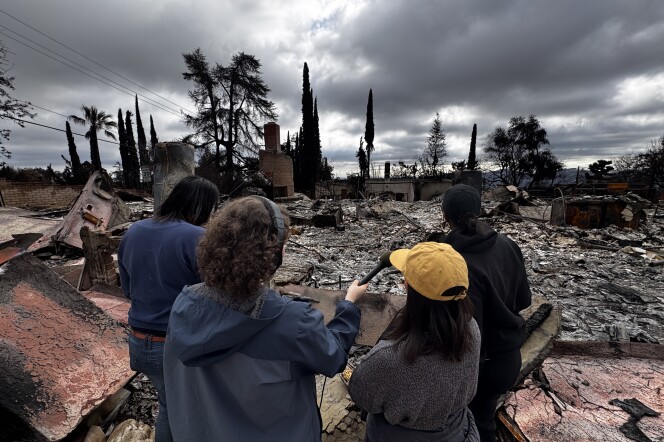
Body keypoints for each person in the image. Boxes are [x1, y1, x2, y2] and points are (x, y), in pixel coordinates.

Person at [163, 196, 368, 441]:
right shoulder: (295, 322)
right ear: (273, 255)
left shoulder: (184, 304)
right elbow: (333, 358)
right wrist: (348, 307)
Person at [118, 175, 219, 442]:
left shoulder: (134, 231)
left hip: (139, 342)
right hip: (175, 345)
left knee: (170, 403)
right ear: (200, 206)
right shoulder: (198, 237)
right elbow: (214, 296)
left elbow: (127, 290)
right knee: (177, 410)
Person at [348, 242, 481, 442]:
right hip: (457, 432)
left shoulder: (388, 359)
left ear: (407, 285)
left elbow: (361, 394)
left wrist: (348, 305)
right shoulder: (471, 329)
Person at [441, 184, 532, 442]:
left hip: (479, 367)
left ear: (444, 216)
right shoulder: (508, 244)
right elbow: (524, 299)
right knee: (483, 422)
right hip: (508, 359)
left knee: (467, 429)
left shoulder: (454, 261)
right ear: (479, 211)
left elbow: (468, 333)